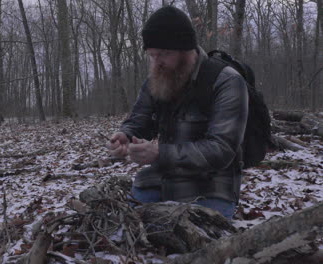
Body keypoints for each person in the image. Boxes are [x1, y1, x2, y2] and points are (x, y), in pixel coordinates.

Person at [106, 6, 248, 220]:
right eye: (152, 55)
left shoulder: (226, 81)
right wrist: (124, 136)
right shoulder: (158, 77)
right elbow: (140, 119)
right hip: (159, 180)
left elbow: (222, 148)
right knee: (126, 230)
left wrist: (159, 153)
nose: (157, 62)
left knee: (191, 241)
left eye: (164, 54)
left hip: (210, 186)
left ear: (186, 50)